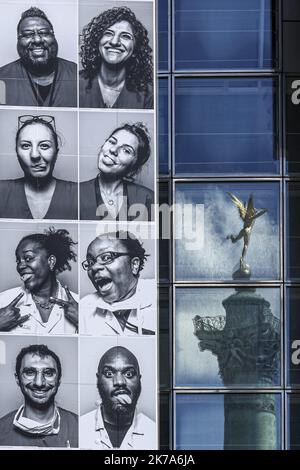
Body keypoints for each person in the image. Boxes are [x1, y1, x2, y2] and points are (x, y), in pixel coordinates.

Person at [0, 227, 78, 335]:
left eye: (28, 258)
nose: (20, 266)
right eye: (18, 261)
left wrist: (82, 321)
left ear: (51, 261)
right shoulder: (3, 301)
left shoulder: (79, 307)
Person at [0, 115, 78, 219]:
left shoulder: (77, 193)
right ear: (17, 153)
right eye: (26, 146)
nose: (35, 155)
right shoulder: (2, 191)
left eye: (44, 145)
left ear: (56, 152)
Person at [0, 344, 78, 448]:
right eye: (30, 372)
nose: (39, 383)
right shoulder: (2, 430)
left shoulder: (79, 427)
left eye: (48, 373)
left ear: (58, 380)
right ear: (17, 379)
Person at [80, 231, 156, 336]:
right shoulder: (84, 307)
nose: (94, 267)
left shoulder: (157, 294)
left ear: (134, 264)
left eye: (106, 257)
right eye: (90, 263)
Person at [80, 346, 155, 449]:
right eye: (109, 373)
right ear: (98, 381)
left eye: (129, 374)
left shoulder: (154, 433)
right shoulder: (79, 428)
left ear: (139, 380)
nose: (119, 382)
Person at [0, 7, 77, 107]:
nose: (37, 40)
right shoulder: (2, 77)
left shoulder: (78, 75)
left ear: (54, 37)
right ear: (18, 40)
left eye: (44, 33)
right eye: (27, 35)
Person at [79, 6, 153, 109]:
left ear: (136, 47)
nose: (114, 42)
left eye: (125, 36)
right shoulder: (76, 83)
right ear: (97, 41)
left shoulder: (148, 94)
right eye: (108, 33)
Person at [80, 122, 154, 221]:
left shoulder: (147, 198)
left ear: (134, 166)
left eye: (126, 150)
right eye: (112, 142)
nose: (113, 150)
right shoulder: (76, 192)